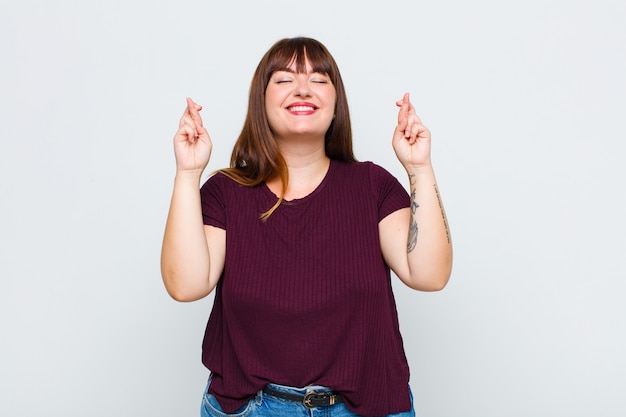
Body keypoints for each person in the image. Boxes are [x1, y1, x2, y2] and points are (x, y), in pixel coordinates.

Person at [161, 37, 452, 417]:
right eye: (284, 80)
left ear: (335, 104)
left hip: (367, 408)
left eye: (319, 79)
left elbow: (429, 275)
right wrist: (187, 173)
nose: (302, 88)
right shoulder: (225, 193)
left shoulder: (371, 186)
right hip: (253, 408)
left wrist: (419, 168)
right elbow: (185, 286)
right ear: (261, 102)